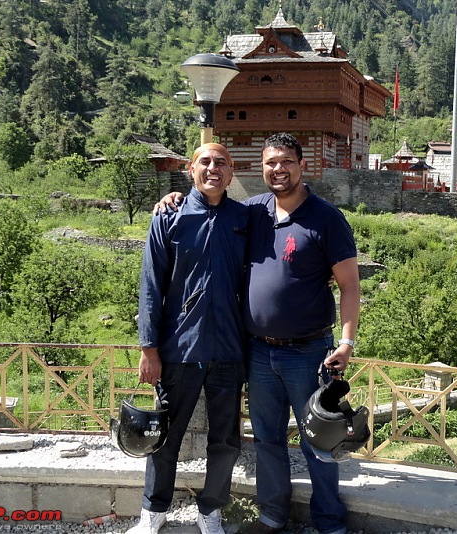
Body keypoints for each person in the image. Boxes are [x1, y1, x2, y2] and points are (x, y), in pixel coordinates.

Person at [157, 133, 360, 534]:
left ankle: (329, 522)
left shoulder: (326, 218)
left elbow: (350, 286)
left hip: (308, 352)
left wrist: (347, 342)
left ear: (303, 166)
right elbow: (210, 206)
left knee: (318, 439)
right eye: (270, 163)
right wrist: (173, 200)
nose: (278, 169)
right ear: (260, 168)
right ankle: (272, 516)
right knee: (267, 439)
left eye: (286, 161)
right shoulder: (253, 211)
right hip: (258, 352)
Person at [130, 143, 248, 534]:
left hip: (230, 351)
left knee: (227, 441)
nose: (214, 169)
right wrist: (149, 348)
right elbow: (150, 287)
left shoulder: (245, 219)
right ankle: (154, 509)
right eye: (206, 162)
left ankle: (210, 510)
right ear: (190, 169)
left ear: (232, 173)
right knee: (165, 436)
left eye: (222, 163)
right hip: (179, 348)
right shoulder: (170, 216)